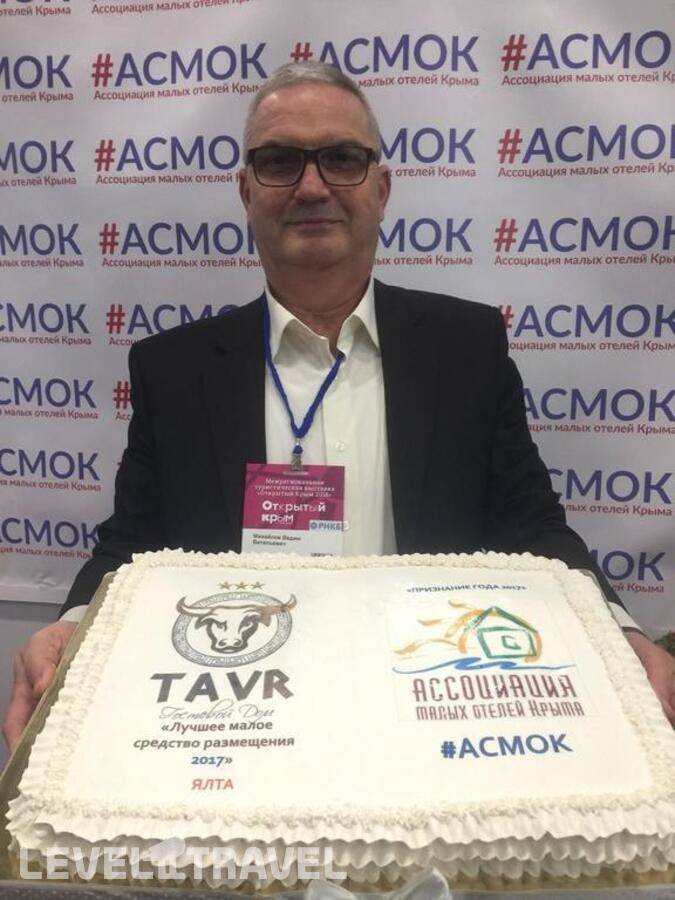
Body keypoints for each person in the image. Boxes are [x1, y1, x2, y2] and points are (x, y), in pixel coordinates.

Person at [3, 62, 674, 753]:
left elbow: (533, 525)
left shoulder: (466, 348)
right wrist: (72, 624)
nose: (312, 186)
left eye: (342, 159)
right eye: (279, 161)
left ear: (381, 188)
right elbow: (131, 546)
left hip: (433, 711)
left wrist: (615, 630)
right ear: (246, 191)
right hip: (242, 720)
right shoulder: (173, 370)